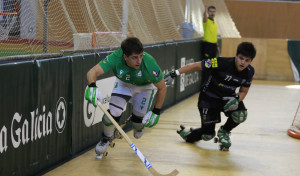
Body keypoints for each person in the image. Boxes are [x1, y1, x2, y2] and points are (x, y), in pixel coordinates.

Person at [164, 42, 256, 150]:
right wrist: (174, 73)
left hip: (227, 98)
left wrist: (237, 99)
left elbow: (243, 91)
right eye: (241, 58)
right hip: (208, 98)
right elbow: (196, 65)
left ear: (251, 61)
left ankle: (224, 132)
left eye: (247, 60)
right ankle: (188, 135)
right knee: (207, 134)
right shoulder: (220, 62)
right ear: (236, 55)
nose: (243, 62)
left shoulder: (250, 72)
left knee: (241, 114)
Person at [85, 37, 167, 155]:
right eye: (134, 57)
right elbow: (92, 72)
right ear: (125, 56)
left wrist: (156, 111)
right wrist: (92, 86)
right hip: (124, 84)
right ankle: (106, 138)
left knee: (138, 123)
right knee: (111, 115)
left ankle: (138, 124)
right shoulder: (116, 57)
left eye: (141, 56)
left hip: (144, 88)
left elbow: (162, 88)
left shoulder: (149, 64)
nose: (139, 61)